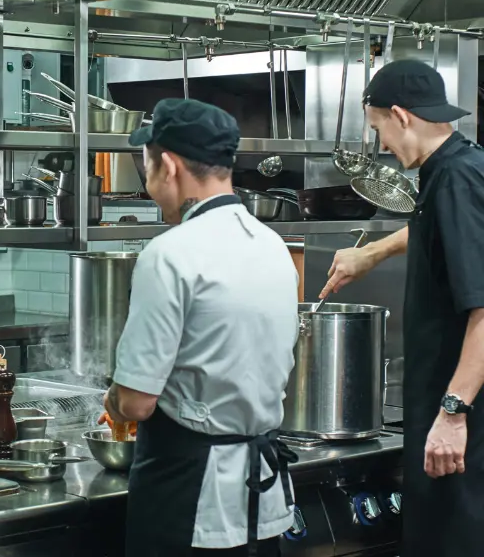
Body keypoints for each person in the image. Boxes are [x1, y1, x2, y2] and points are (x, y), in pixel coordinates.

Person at [102, 98, 299, 556]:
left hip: (187, 498)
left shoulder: (169, 254)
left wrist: (113, 396)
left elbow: (136, 402)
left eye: (146, 165)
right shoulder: (273, 246)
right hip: (259, 502)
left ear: (167, 166)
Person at [319, 59, 484, 556]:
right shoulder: (456, 168)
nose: (383, 146)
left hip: (460, 423)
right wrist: (371, 252)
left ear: (400, 116)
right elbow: (436, 229)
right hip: (447, 414)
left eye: (378, 130)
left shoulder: (457, 179)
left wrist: (453, 413)